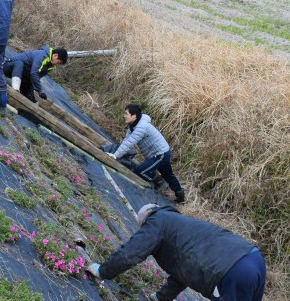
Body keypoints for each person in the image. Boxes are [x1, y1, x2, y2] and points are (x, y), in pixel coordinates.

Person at [86, 204, 266, 301]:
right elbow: (183, 270)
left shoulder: (156, 222)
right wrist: (162, 297)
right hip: (254, 258)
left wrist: (103, 271)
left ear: (147, 219)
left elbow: (130, 254)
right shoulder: (178, 225)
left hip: (234, 270)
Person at [105, 104, 185, 203]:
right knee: (168, 174)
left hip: (161, 154)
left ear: (134, 116)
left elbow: (129, 143)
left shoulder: (141, 127)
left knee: (140, 171)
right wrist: (117, 153)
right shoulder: (133, 126)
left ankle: (158, 181)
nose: (124, 116)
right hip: (160, 153)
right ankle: (180, 197)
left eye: (126, 114)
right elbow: (127, 140)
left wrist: (116, 155)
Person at [2, 46, 68, 103]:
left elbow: (35, 78)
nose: (57, 64)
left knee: (30, 97)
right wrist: (40, 90)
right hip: (8, 67)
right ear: (55, 55)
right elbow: (34, 73)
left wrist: (34, 95)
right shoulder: (42, 55)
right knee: (19, 64)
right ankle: (14, 89)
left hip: (22, 73)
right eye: (58, 62)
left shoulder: (50, 65)